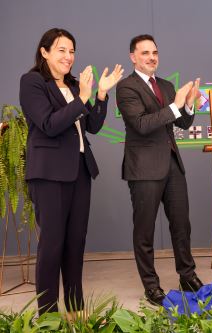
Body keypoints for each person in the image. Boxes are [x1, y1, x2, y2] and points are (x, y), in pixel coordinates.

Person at [19, 28, 123, 313]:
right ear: (45, 52)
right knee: (52, 245)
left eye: (72, 51)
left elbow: (93, 126)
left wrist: (100, 94)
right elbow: (49, 124)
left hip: (79, 170)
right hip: (49, 174)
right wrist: (82, 98)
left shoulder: (76, 85)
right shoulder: (32, 83)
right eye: (62, 50)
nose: (68, 56)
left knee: (76, 243)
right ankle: (49, 316)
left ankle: (76, 310)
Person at [116, 34, 202, 306]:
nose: (151, 57)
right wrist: (176, 105)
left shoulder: (166, 85)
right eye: (145, 53)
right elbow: (141, 124)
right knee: (145, 231)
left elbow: (184, 123)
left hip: (172, 165)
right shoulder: (126, 87)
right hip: (143, 169)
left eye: (154, 52)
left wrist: (188, 104)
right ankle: (151, 285)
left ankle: (187, 276)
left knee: (181, 225)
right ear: (133, 57)